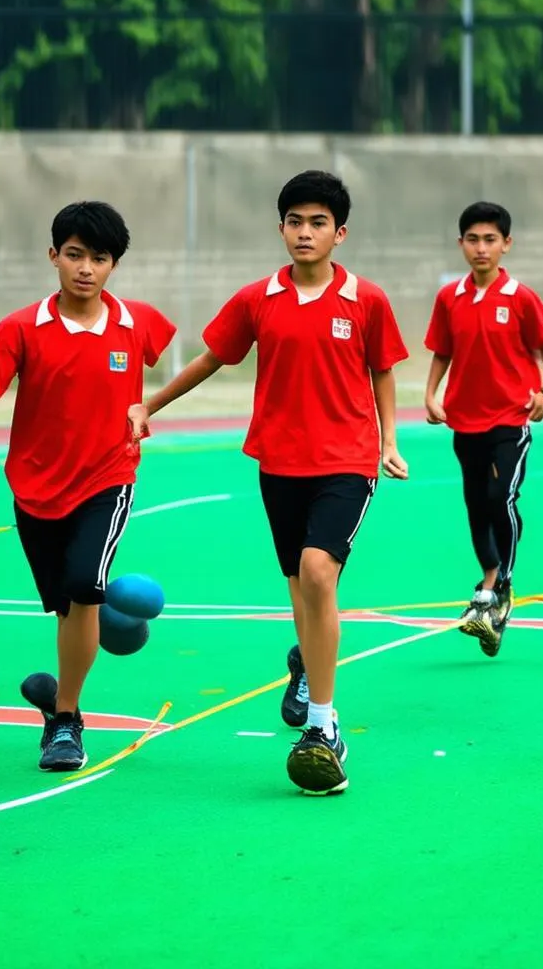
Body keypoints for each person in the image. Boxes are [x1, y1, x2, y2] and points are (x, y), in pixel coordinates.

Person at [129, 170, 409, 795]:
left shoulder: (366, 299)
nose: (305, 233)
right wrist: (152, 404)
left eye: (318, 223)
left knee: (318, 571)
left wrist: (390, 440)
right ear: (280, 228)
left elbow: (383, 370)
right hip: (279, 462)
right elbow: (211, 359)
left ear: (340, 233)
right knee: (299, 589)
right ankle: (307, 665)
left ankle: (323, 725)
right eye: (294, 221)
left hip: (348, 459)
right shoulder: (258, 299)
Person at [0, 201, 177, 771]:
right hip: (34, 488)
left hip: (109, 478)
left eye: (98, 258)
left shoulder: (138, 323)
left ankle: (67, 721)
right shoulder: (24, 327)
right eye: (74, 255)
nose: (85, 268)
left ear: (113, 266)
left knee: (83, 584)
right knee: (66, 606)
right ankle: (65, 691)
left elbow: (164, 361)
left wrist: (142, 406)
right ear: (53, 256)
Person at [423, 201, 543, 657]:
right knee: (476, 505)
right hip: (465, 419)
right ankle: (488, 587)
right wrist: (432, 393)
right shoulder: (450, 298)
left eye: (490, 240)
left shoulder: (521, 297)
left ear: (506, 245)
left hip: (510, 417)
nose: (481, 248)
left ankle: (498, 587)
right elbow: (441, 350)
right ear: (460, 244)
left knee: (501, 497)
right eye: (472, 239)